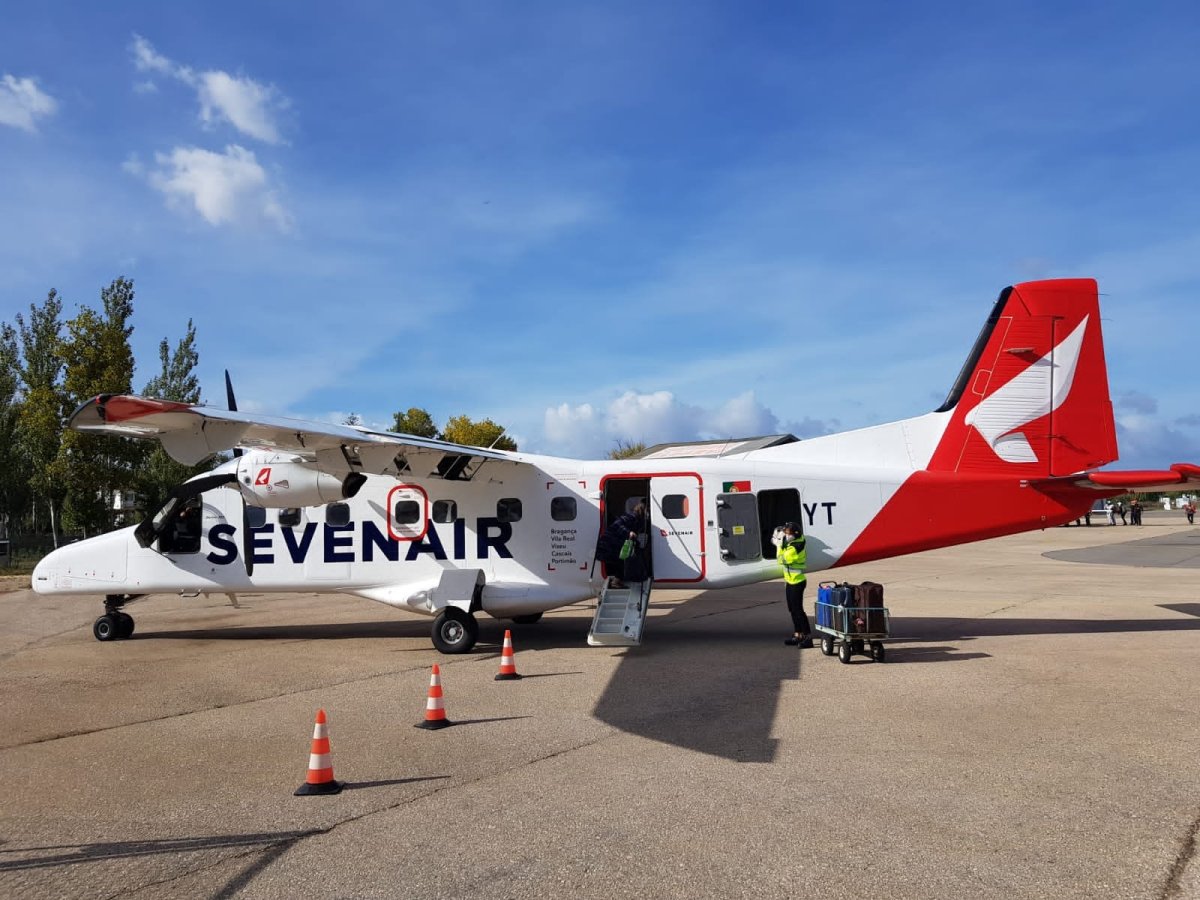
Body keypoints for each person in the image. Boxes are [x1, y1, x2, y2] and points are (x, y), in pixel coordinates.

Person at [776, 522, 812, 648]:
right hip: (791, 581)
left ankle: (808, 637)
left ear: (795, 535)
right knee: (792, 609)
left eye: (788, 534)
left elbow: (780, 559)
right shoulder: (793, 542)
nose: (786, 536)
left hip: (797, 582)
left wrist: (779, 544)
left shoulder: (795, 547)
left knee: (798, 610)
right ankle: (798, 634)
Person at [595, 502, 647, 588]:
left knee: (622, 561)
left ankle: (616, 580)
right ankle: (615, 582)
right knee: (623, 561)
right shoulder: (631, 517)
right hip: (609, 544)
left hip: (613, 545)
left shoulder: (638, 521)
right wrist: (629, 532)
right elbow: (617, 524)